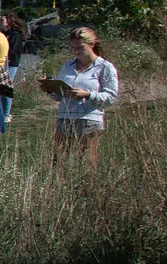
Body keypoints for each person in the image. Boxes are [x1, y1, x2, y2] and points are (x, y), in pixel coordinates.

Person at [43, 27, 120, 165]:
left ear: (91, 44)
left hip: (89, 119)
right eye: (73, 47)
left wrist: (88, 95)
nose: (76, 51)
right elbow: (59, 96)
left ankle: (87, 187)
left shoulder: (104, 67)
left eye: (80, 47)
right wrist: (50, 89)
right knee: (58, 160)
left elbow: (111, 97)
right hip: (65, 118)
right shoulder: (68, 66)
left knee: (87, 162)